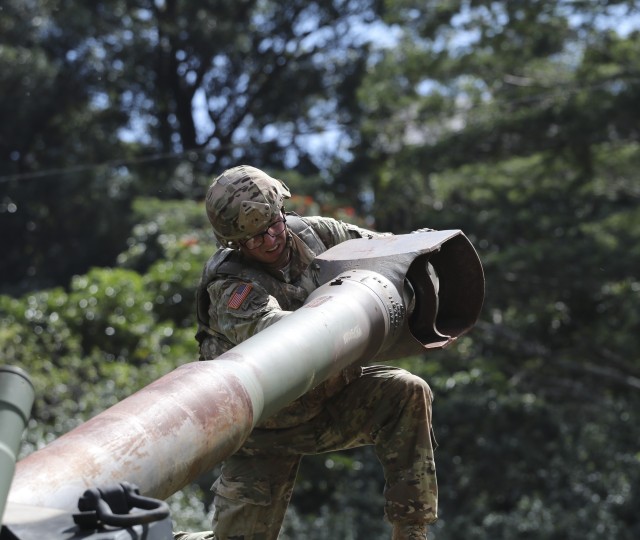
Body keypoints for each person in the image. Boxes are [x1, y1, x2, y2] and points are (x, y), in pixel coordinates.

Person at [174, 165, 438, 540]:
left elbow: (386, 253)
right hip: (262, 427)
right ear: (235, 243)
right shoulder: (230, 285)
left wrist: (420, 250)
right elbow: (276, 333)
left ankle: (412, 531)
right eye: (252, 239)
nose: (268, 241)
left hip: (328, 401)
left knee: (406, 392)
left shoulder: (318, 234)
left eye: (273, 226)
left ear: (282, 211)